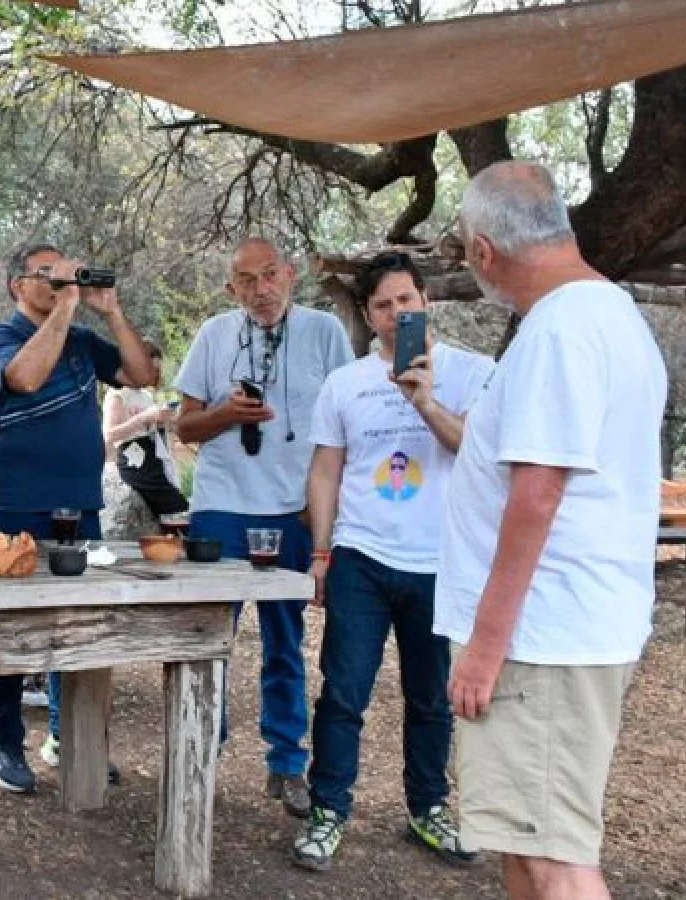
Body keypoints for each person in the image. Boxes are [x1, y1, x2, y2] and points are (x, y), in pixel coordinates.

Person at [437, 162, 666, 900]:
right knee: (523, 843)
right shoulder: (606, 314)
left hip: (541, 641)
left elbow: (538, 495)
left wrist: (486, 646)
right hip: (554, 632)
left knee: (553, 861)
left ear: (483, 251)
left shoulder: (562, 329)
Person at [292, 251, 492, 872]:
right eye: (382, 304)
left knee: (431, 697)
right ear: (368, 313)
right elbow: (326, 470)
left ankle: (428, 808)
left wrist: (425, 400)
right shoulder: (345, 383)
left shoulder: (473, 372)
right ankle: (328, 811)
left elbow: (480, 451)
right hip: (362, 557)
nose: (396, 313)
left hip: (440, 560)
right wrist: (321, 551)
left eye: (406, 300)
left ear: (426, 300)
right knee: (343, 692)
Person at [174, 237, 352, 818]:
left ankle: (286, 761)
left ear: (291, 274)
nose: (261, 289)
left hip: (292, 508)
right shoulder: (213, 334)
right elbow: (185, 428)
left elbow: (347, 422)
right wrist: (226, 415)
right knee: (210, 633)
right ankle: (204, 748)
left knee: (284, 639)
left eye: (270, 274)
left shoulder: (325, 332)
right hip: (223, 505)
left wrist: (322, 512)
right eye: (247, 280)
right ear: (232, 288)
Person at [0, 241, 155, 793]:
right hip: (20, 503)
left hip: (80, 504)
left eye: (64, 273)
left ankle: (69, 737)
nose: (59, 282)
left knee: (77, 624)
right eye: (47, 274)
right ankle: (3, 743)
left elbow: (141, 374)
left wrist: (112, 312)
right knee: (10, 626)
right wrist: (68, 305)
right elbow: (25, 378)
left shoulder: (81, 339)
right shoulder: (2, 337)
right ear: (19, 285)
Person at [102, 340, 188, 521]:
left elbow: (151, 426)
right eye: (150, 368)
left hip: (154, 455)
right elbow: (109, 434)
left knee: (175, 507)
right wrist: (144, 417)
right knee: (177, 507)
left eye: (156, 370)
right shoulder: (117, 393)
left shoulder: (146, 395)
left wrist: (164, 419)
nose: (153, 374)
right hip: (133, 460)